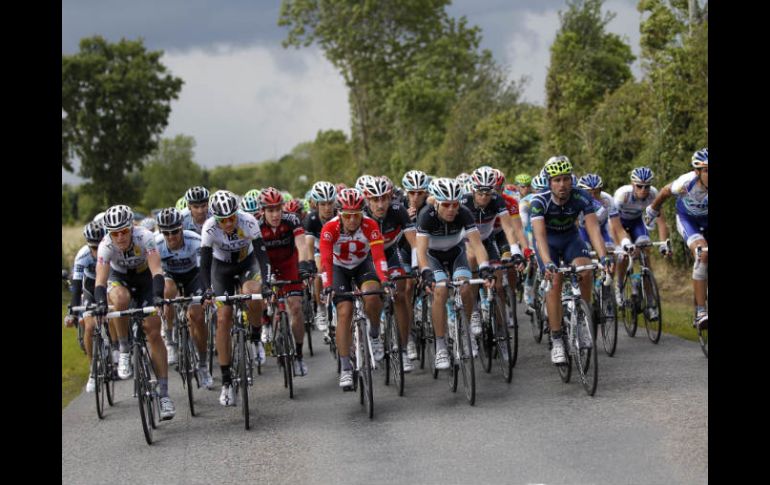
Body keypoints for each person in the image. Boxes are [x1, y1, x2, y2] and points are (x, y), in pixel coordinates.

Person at [92, 205, 177, 419]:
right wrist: (101, 303)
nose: (120, 237)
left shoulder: (145, 237)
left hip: (146, 279)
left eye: (123, 231)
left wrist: (158, 297)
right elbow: (100, 282)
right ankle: (123, 348)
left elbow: (157, 271)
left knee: (153, 332)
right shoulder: (105, 245)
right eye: (115, 233)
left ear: (131, 227)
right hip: (120, 280)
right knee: (119, 299)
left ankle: (164, 395)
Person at [529, 157, 613, 365]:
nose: (562, 184)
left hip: (570, 239)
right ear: (549, 182)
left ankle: (583, 322)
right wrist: (548, 262)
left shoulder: (581, 196)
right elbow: (539, 237)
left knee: (585, 271)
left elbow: (593, 230)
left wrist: (603, 256)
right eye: (557, 180)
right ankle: (557, 337)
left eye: (566, 179)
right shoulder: (540, 201)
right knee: (555, 279)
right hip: (548, 243)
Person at [199, 190, 272, 406]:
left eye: (232, 217)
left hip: (246, 263)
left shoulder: (248, 221)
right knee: (223, 318)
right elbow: (204, 263)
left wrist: (266, 282)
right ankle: (227, 382)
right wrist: (207, 289)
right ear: (216, 218)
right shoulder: (209, 227)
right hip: (221, 269)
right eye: (224, 220)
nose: (229, 223)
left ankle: (256, 338)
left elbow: (261, 254)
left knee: (253, 294)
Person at [416, 178, 495, 370]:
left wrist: (484, 265)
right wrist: (425, 271)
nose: (452, 209)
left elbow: (476, 244)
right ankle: (441, 344)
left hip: (455, 253)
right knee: (440, 292)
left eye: (455, 204)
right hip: (432, 256)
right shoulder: (426, 215)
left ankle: (467, 332)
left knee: (466, 287)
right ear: (436, 203)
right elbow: (420, 251)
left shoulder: (464, 213)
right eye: (446, 205)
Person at [319, 188, 389, 388]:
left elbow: (378, 256)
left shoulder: (370, 225)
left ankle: (375, 335)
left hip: (362, 265)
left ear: (362, 213)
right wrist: (327, 285)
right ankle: (346, 368)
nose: (352, 220)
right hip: (339, 267)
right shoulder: (330, 228)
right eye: (347, 216)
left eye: (356, 215)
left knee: (373, 295)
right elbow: (325, 260)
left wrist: (384, 280)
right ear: (340, 214)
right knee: (345, 311)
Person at [646, 148, 708, 328]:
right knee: (702, 253)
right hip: (688, 220)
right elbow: (665, 192)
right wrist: (652, 210)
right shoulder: (685, 182)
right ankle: (701, 311)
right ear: (697, 172)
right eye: (706, 170)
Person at [361, 176, 418, 373]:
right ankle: (374, 332)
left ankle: (402, 348)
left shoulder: (397, 210)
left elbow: (414, 241)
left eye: (384, 198)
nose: (380, 204)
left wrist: (419, 266)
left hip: (391, 253)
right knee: (371, 296)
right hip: (367, 259)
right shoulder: (360, 216)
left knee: (401, 295)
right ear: (367, 200)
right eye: (375, 199)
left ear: (390, 198)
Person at [258, 187, 315, 376]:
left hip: (290, 264)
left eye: (278, 209)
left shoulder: (291, 220)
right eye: (270, 210)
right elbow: (254, 255)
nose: (275, 214)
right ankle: (267, 323)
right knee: (263, 301)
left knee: (296, 307)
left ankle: (298, 356)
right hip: (267, 265)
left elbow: (301, 244)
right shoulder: (256, 225)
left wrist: (304, 266)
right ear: (263, 211)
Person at [154, 207, 214, 388]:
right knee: (167, 289)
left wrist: (206, 292)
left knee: (196, 316)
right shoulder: (156, 245)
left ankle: (203, 365)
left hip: (193, 278)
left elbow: (203, 270)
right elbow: (153, 273)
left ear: (182, 228)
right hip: (170, 278)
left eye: (175, 231)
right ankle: (170, 339)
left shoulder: (195, 241)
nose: (171, 236)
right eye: (166, 232)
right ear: (161, 232)